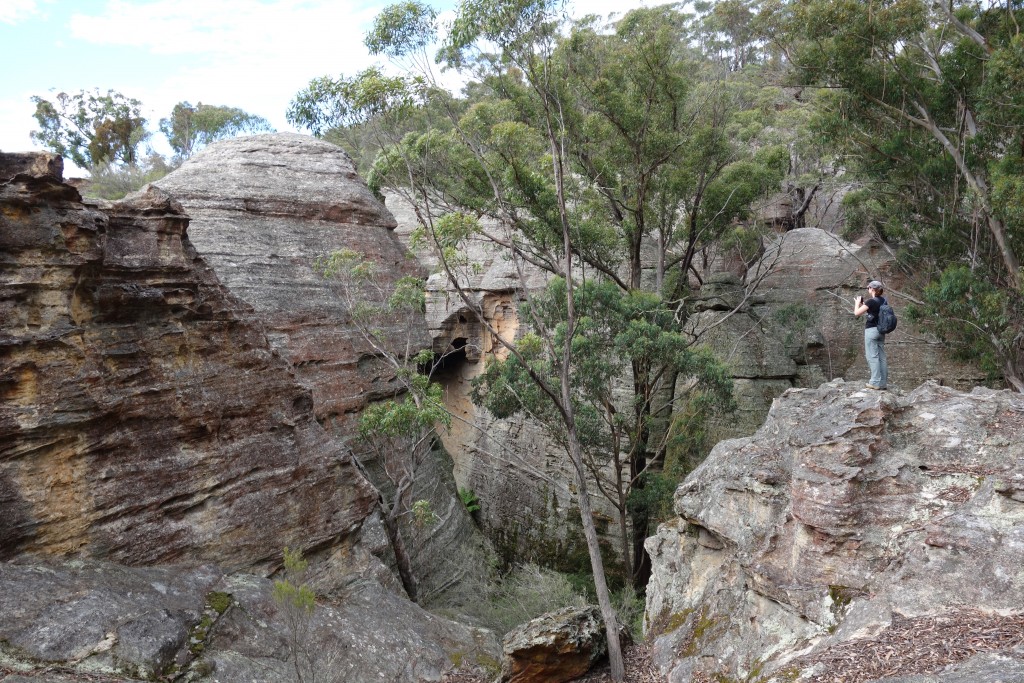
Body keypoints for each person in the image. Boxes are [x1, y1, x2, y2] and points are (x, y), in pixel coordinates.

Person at [854, 280, 888, 390]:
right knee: (881, 357)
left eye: (868, 288)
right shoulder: (883, 301)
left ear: (872, 289)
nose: (868, 290)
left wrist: (856, 304)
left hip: (871, 331)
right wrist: (862, 305)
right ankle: (882, 383)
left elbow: (857, 313)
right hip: (881, 331)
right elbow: (873, 311)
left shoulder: (871, 301)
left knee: (872, 356)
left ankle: (874, 382)